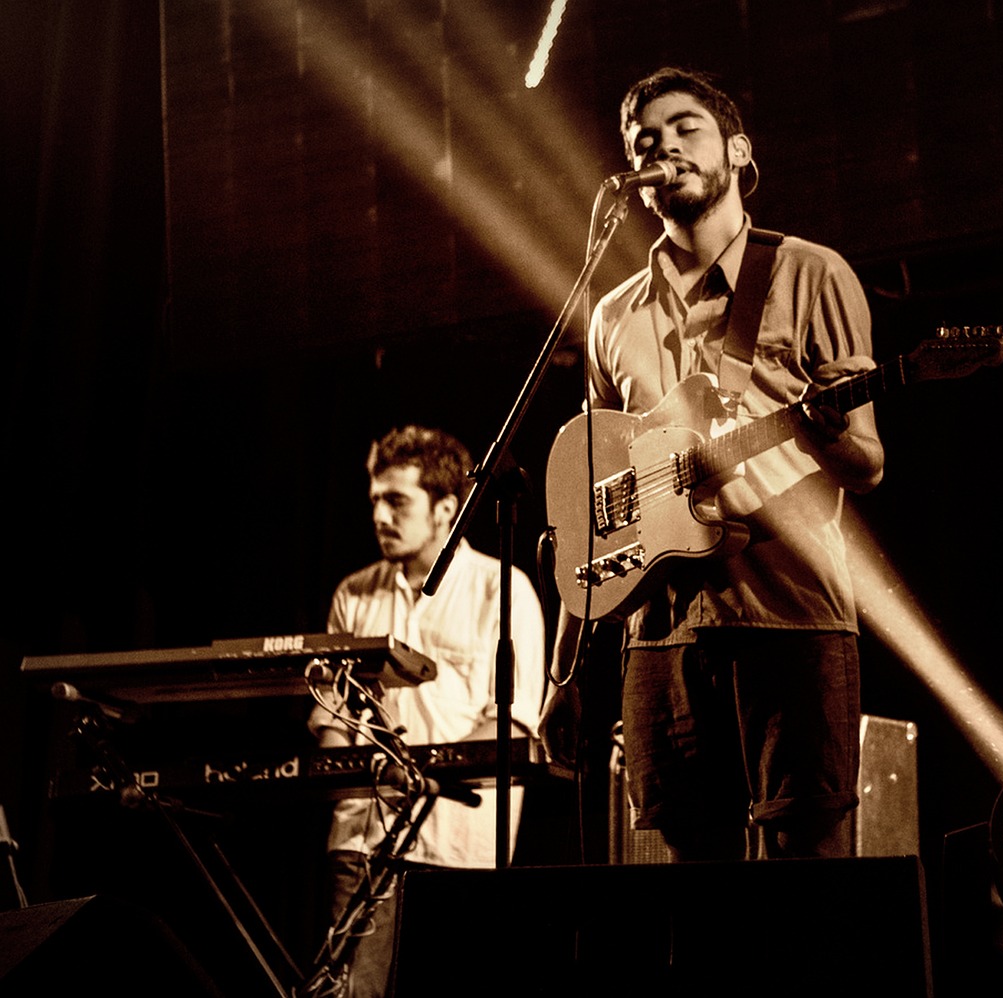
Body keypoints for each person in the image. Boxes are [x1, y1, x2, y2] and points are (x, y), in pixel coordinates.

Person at [539, 67, 885, 864]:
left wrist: (822, 431)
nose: (662, 146)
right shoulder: (612, 315)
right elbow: (593, 504)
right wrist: (564, 673)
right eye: (644, 140)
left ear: (737, 149)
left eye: (684, 127)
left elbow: (867, 463)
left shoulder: (810, 273)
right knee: (694, 890)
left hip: (789, 611)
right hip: (658, 632)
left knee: (808, 871)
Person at [308, 425, 546, 998]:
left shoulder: (502, 590)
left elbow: (508, 723)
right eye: (375, 500)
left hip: (460, 847)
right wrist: (353, 779)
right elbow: (330, 720)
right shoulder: (353, 595)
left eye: (397, 501)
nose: (380, 516)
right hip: (363, 845)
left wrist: (421, 776)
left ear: (445, 509)